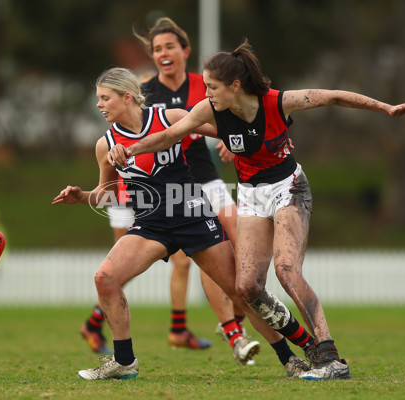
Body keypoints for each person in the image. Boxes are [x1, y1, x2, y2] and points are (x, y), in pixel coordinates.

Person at [108, 40, 405, 380]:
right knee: (247, 288)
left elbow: (333, 95)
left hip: (289, 187)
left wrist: (388, 108)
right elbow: (169, 136)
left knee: (287, 269)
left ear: (235, 85)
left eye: (212, 87)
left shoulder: (278, 101)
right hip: (250, 196)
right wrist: (130, 148)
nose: (207, 93)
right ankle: (304, 348)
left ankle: (331, 358)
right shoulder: (208, 110)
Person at [52, 67, 316, 380]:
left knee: (242, 292)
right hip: (151, 226)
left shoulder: (170, 117)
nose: (99, 105)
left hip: (192, 215)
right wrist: (82, 196)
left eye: (105, 98)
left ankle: (293, 356)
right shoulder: (105, 145)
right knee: (105, 278)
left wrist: (253, 143)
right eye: (98, 99)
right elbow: (107, 195)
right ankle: (124, 362)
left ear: (127, 97)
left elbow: (236, 130)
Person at [79, 17, 244, 354]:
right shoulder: (143, 91)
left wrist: (232, 138)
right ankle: (112, 324)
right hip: (138, 189)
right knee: (125, 266)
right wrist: (88, 193)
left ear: (185, 51)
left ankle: (230, 321)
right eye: (156, 49)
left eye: (169, 46)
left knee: (237, 242)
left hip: (196, 178)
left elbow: (227, 116)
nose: (163, 53)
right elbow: (110, 170)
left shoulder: (205, 84)